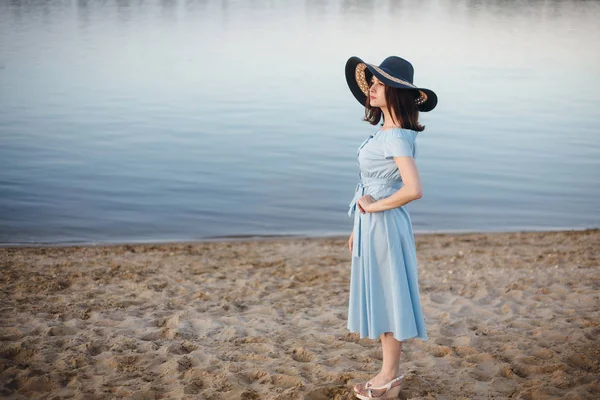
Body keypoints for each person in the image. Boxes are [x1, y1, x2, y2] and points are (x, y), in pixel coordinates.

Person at [344, 55, 438, 400]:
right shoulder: (385, 132)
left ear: (396, 91)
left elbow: (413, 189)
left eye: (380, 82)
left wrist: (372, 208)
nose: (372, 87)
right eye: (372, 80)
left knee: (389, 297)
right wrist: (359, 223)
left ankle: (389, 377)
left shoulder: (396, 136)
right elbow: (369, 184)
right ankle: (387, 374)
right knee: (383, 297)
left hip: (384, 227)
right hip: (373, 226)